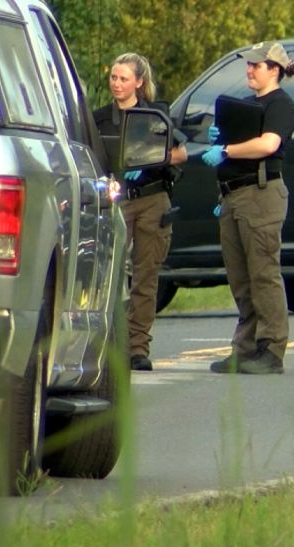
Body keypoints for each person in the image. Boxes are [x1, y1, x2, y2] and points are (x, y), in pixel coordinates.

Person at [201, 41, 294, 375]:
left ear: (274, 69)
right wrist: (219, 139)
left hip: (261, 195)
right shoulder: (245, 106)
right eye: (249, 65)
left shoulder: (280, 105)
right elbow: (232, 143)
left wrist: (227, 150)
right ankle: (244, 349)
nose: (249, 70)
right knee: (241, 278)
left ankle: (271, 350)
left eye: (256, 66)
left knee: (263, 274)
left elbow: (268, 144)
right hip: (233, 196)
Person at [94, 52, 186, 372]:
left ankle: (137, 347)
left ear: (139, 82)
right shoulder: (99, 119)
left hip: (150, 198)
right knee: (105, 275)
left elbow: (180, 153)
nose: (117, 84)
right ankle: (103, 344)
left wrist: (148, 160)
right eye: (114, 77)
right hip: (114, 201)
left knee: (145, 276)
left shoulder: (154, 116)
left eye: (123, 78)